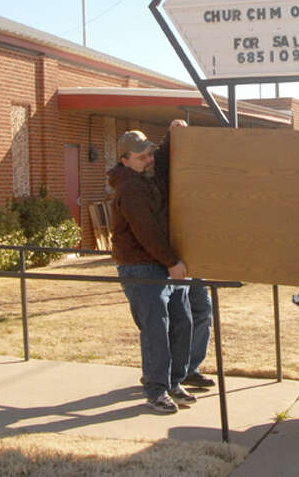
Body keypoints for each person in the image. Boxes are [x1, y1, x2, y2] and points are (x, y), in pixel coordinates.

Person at [107, 129, 196, 414]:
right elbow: (147, 231)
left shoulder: (147, 176)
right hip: (140, 267)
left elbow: (163, 160)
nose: (149, 159)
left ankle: (173, 382)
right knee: (156, 328)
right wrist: (171, 262)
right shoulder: (129, 188)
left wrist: (173, 133)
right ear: (125, 160)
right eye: (141, 156)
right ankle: (157, 390)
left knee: (182, 322)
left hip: (159, 263)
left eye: (149, 153)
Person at [152, 119, 215, 389]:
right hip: (173, 256)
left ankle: (190, 368)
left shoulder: (199, 169)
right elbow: (162, 164)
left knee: (203, 310)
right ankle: (166, 374)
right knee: (177, 318)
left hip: (195, 253)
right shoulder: (161, 168)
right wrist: (171, 137)